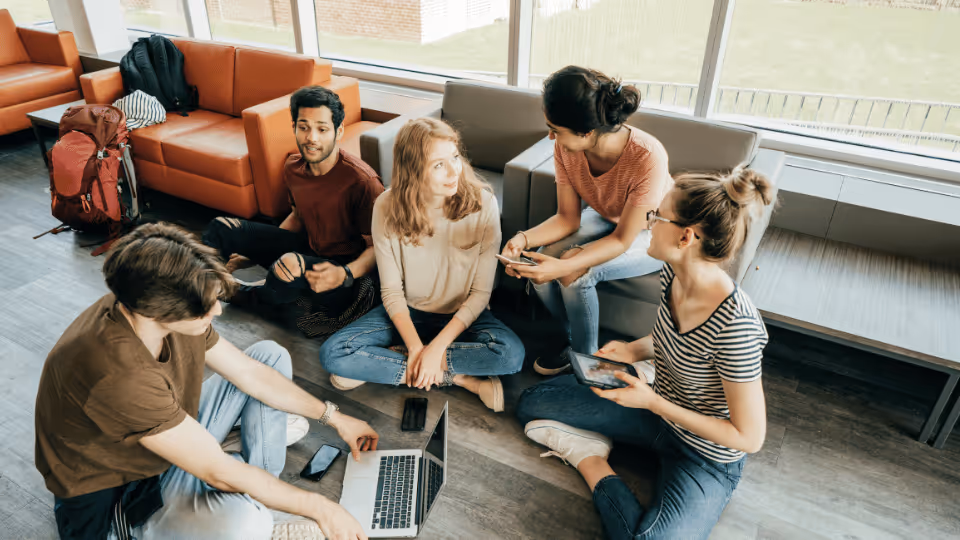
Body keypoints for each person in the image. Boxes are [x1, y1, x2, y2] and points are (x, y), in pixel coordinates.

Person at [35, 223, 379, 540]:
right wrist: (321, 507)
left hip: (157, 443)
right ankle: (249, 501)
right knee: (246, 523)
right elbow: (216, 471)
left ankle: (255, 487)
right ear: (160, 312)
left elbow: (249, 373)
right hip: (124, 497)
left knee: (269, 356)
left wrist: (335, 418)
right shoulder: (117, 374)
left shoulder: (148, 297)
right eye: (206, 308)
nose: (217, 312)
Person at [516, 168, 773, 540]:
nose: (648, 223)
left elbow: (749, 438)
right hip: (655, 411)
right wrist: (634, 348)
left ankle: (589, 460)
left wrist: (652, 403)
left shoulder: (737, 328)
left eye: (658, 216)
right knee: (531, 402)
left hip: (704, 455)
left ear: (686, 237)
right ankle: (598, 442)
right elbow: (675, 337)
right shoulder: (673, 274)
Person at [319, 118, 525, 411]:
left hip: (463, 315)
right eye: (439, 164)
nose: (455, 171)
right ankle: (458, 379)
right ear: (414, 170)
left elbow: (480, 294)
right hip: (407, 312)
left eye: (455, 157)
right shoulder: (386, 207)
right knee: (333, 355)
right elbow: (391, 291)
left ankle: (394, 362)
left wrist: (437, 347)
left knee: (510, 356)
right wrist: (418, 349)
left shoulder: (483, 203)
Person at [501, 66, 671, 375]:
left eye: (556, 128)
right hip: (607, 217)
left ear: (587, 132)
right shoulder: (565, 148)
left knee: (574, 273)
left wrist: (564, 266)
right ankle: (571, 339)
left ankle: (588, 362)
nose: (551, 135)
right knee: (541, 263)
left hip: (651, 232)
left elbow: (623, 239)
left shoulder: (647, 157)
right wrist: (523, 239)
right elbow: (567, 219)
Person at [203, 85, 383, 315]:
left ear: (338, 132)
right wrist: (254, 254)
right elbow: (298, 217)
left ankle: (243, 296)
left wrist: (344, 273)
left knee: (287, 265)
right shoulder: (293, 167)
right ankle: (200, 288)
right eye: (304, 127)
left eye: (322, 129)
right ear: (294, 128)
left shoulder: (363, 182)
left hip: (344, 275)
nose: (311, 138)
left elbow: (377, 248)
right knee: (221, 227)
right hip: (309, 250)